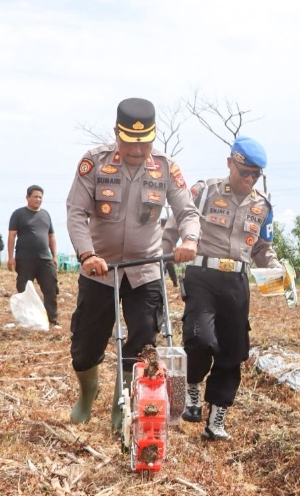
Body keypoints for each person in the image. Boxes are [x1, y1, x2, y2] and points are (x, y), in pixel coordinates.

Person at [66, 97, 200, 431]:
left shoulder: (166, 167)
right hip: (101, 270)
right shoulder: (94, 163)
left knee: (143, 339)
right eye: (130, 143)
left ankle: (121, 405)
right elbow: (76, 212)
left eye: (144, 143)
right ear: (116, 134)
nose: (138, 151)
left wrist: (189, 239)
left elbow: (187, 212)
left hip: (146, 269)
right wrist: (87, 254)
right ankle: (87, 394)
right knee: (85, 345)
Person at [162, 136, 281, 441]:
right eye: (245, 172)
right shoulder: (204, 192)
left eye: (257, 174)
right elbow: (175, 226)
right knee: (201, 338)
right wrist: (163, 258)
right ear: (230, 163)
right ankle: (190, 388)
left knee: (233, 351)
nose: (250, 179)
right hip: (202, 274)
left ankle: (216, 420)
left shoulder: (262, 205)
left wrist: (275, 268)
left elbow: (263, 247)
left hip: (237, 283)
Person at [8, 185, 60, 328]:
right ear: (27, 197)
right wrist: (10, 257)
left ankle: (52, 320)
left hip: (45, 259)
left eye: (40, 197)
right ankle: (27, 320)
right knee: (24, 290)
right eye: (35, 196)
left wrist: (54, 256)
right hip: (25, 259)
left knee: (50, 289)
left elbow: (52, 236)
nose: (38, 199)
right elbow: (12, 236)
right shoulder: (18, 214)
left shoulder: (46, 214)